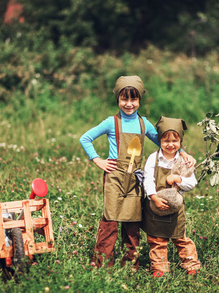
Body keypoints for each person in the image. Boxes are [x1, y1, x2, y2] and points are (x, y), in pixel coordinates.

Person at [80, 76, 196, 270]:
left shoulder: (144, 124)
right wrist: (97, 159)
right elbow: (85, 138)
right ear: (117, 99)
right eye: (124, 99)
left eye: (133, 99)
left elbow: (165, 143)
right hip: (115, 177)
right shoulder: (111, 122)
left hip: (135, 179)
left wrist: (182, 152)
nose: (129, 104)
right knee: (110, 220)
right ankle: (101, 265)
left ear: (139, 100)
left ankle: (131, 264)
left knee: (133, 221)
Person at [142, 116, 201, 277]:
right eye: (165, 140)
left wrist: (179, 179)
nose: (170, 144)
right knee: (156, 240)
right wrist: (154, 197)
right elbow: (148, 180)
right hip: (155, 206)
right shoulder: (153, 159)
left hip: (175, 208)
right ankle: (160, 268)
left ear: (180, 141)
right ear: (159, 140)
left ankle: (190, 263)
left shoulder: (183, 161)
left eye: (175, 141)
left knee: (180, 237)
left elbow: (192, 183)